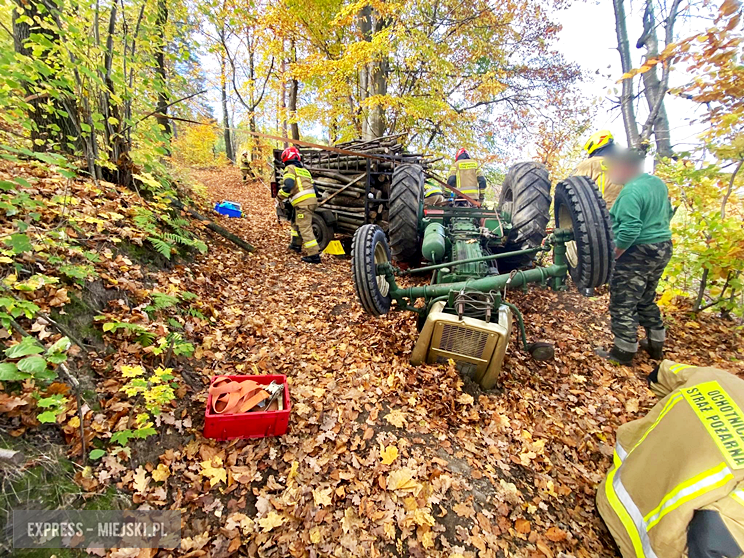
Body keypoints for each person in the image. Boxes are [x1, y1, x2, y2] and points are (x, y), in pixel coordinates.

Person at [597, 359, 744, 558]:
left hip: (611, 494)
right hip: (650, 546)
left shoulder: (717, 378)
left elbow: (659, 374)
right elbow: (714, 537)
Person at [596, 149, 673, 364]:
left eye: (613, 167)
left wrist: (614, 256)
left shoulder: (630, 192)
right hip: (663, 246)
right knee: (646, 297)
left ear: (626, 167)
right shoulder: (657, 183)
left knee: (623, 302)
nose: (610, 172)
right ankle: (656, 343)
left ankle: (623, 352)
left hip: (638, 251)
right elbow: (667, 213)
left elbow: (630, 229)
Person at [278, 146, 321, 264]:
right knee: (296, 223)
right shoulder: (304, 171)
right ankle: (295, 245)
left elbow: (288, 185)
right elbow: (316, 190)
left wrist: (280, 196)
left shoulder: (290, 169)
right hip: (310, 202)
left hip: (303, 204)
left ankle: (314, 255)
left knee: (305, 227)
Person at [572, 130, 623, 210]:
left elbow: (571, 190)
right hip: (626, 213)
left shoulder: (588, 165)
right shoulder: (623, 166)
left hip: (602, 215)